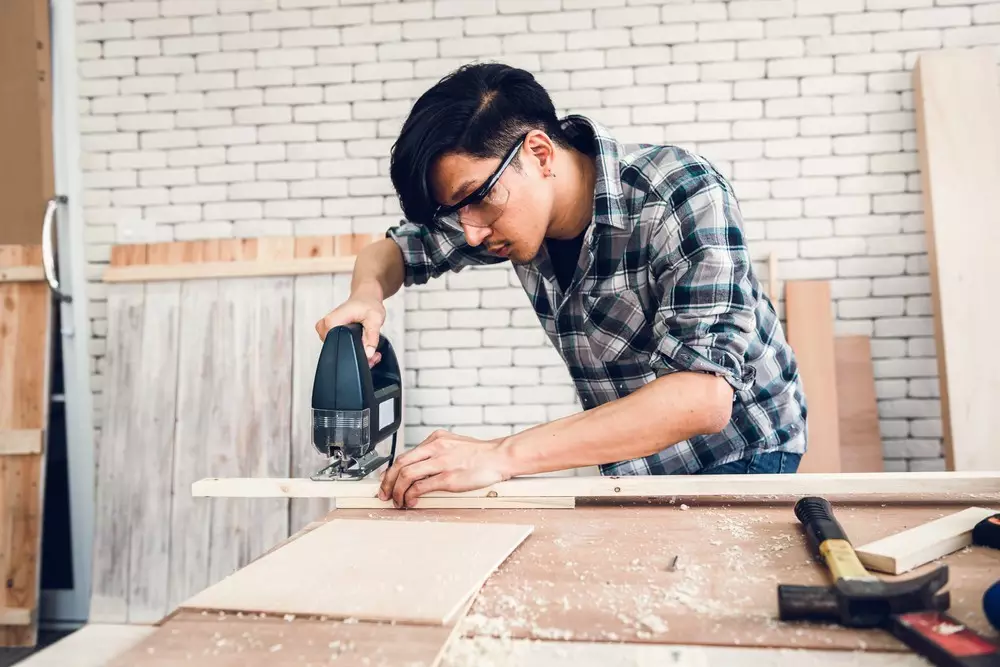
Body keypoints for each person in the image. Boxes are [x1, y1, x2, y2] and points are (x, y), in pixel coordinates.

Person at [315, 62, 807, 509]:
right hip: (634, 462)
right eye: (455, 212)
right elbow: (394, 252)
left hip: (741, 449)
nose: (470, 233)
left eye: (476, 199)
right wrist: (366, 296)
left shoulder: (680, 194)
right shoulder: (497, 210)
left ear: (540, 152)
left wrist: (501, 456)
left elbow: (703, 398)